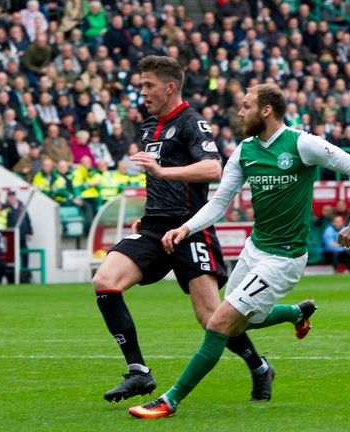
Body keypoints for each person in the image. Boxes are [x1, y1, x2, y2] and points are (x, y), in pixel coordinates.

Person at [129, 83, 350, 418]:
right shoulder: (245, 151)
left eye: (246, 106)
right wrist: (185, 228)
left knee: (218, 323)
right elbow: (220, 204)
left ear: (266, 110)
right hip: (254, 249)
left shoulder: (302, 143)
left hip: (283, 258)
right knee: (242, 324)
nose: (240, 113)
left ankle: (169, 400)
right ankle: (296, 313)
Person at [94, 56, 273, 405]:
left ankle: (259, 366)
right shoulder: (149, 127)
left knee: (211, 317)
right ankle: (138, 372)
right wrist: (147, 215)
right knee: (105, 281)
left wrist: (163, 173)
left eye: (148, 85)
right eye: (141, 84)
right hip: (154, 227)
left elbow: (212, 168)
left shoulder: (193, 123)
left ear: (169, 87)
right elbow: (159, 180)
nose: (142, 91)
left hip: (189, 227)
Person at [5, 191, 33, 282]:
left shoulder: (21, 206)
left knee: (25, 253)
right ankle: (12, 274)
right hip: (11, 235)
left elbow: (27, 219)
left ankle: (25, 272)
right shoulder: (5, 207)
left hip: (22, 234)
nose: (11, 198)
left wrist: (30, 232)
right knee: (12, 255)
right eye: (10, 196)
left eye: (13, 196)